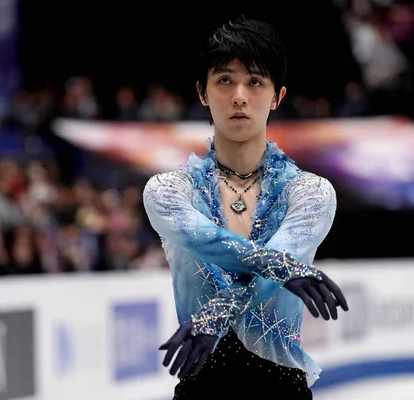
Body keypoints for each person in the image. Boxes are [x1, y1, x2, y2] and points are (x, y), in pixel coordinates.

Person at [143, 15, 348, 399]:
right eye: (225, 80)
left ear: (277, 96)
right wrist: (286, 269)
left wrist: (213, 316)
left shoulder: (309, 192)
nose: (239, 95)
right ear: (203, 92)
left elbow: (278, 258)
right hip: (201, 390)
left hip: (281, 389)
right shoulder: (170, 191)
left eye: (254, 81)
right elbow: (219, 245)